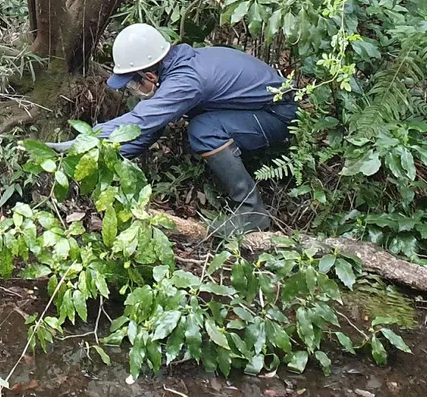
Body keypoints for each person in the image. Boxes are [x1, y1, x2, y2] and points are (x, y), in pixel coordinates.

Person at [48, 23, 296, 237]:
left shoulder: (185, 81)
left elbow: (141, 122)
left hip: (279, 115)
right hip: (257, 110)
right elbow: (148, 130)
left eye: (134, 81)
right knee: (201, 124)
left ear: (150, 75)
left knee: (204, 130)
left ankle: (252, 213)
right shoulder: (178, 68)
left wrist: (81, 142)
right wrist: (100, 159)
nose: (133, 88)